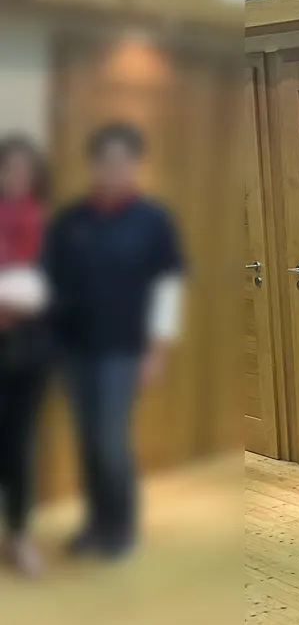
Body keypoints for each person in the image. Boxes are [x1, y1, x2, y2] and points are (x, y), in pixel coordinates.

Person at [41, 122, 186, 559]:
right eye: (106, 161)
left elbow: (168, 286)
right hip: (72, 348)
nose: (114, 169)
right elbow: (49, 282)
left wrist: (158, 349)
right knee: (86, 438)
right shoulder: (70, 220)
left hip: (123, 350)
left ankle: (119, 527)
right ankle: (95, 524)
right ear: (95, 164)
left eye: (123, 161)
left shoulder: (152, 220)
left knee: (109, 437)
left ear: (134, 164)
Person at [0, 136, 48, 575]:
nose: (17, 177)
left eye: (24, 170)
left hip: (29, 349)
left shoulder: (46, 222)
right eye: (9, 169)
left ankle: (19, 535)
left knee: (19, 445)